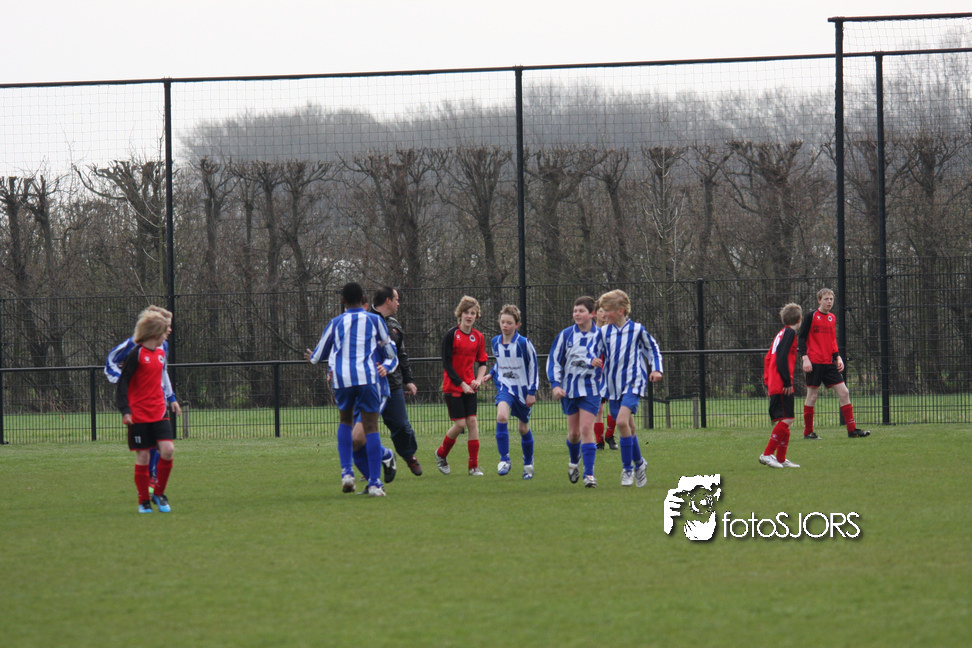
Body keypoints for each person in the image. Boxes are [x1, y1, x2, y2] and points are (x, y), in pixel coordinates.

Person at [306, 282, 398, 497]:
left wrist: (313, 356)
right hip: (367, 378)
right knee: (371, 428)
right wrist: (385, 363)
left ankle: (347, 473)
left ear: (343, 301)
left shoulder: (336, 322)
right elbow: (390, 351)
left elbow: (317, 357)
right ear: (363, 299)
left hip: (343, 380)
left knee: (345, 422)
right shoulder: (374, 320)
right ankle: (375, 483)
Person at [105, 305, 182, 494]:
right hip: (138, 402)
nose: (169, 330)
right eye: (166, 326)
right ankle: (149, 479)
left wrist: (171, 397)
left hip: (158, 400)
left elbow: (163, 372)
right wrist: (127, 383)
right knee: (147, 446)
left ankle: (154, 478)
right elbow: (110, 362)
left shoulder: (163, 347)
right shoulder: (134, 346)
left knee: (163, 443)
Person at [597, 289, 663, 487]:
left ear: (620, 311)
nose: (603, 314)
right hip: (612, 386)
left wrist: (656, 369)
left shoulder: (637, 330)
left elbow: (652, 349)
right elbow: (594, 351)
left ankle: (627, 469)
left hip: (633, 382)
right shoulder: (603, 332)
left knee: (621, 422)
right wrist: (591, 360)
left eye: (607, 310)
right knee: (630, 428)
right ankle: (640, 463)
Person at [797, 288, 871, 439]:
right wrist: (805, 358)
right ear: (819, 300)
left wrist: (838, 357)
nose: (829, 302)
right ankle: (808, 432)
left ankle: (852, 430)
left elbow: (832, 340)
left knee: (844, 392)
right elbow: (801, 338)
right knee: (812, 396)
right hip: (814, 362)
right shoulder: (811, 316)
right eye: (826, 299)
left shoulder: (832, 317)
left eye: (831, 299)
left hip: (829, 363)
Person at [547, 296, 604, 487]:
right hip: (569, 390)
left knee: (586, 429)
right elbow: (554, 360)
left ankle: (589, 475)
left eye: (581, 311)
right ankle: (574, 461)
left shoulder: (601, 335)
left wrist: (603, 371)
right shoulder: (566, 335)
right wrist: (555, 385)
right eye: (575, 311)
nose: (577, 314)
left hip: (591, 389)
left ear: (592, 314)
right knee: (573, 434)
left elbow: (611, 359)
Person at [434, 296, 489, 476]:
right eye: (466, 312)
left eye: (473, 313)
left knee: (472, 422)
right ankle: (441, 454)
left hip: (470, 387)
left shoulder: (478, 337)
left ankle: (473, 466)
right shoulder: (451, 335)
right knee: (460, 424)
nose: (469, 316)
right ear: (460, 314)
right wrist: (462, 384)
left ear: (476, 316)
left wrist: (478, 380)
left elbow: (483, 362)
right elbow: (447, 364)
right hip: (453, 386)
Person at [372, 286, 422, 476]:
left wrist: (408, 380)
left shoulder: (394, 325)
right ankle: (372, 464)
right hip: (369, 384)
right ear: (388, 301)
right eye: (396, 299)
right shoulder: (366, 321)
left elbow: (401, 354)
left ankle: (409, 456)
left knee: (401, 425)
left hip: (392, 384)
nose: (398, 303)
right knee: (366, 427)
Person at [489, 304, 539, 480]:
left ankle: (528, 463)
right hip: (506, 387)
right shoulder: (495, 342)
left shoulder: (524, 344)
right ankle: (504, 459)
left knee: (522, 428)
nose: (505, 325)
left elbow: (534, 367)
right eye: (502, 322)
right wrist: (491, 373)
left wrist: (532, 392)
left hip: (523, 391)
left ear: (517, 325)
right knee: (501, 416)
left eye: (509, 323)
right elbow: (500, 361)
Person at [760, 303, 804, 469]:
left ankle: (780, 458)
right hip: (781, 382)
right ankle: (767, 454)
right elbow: (781, 357)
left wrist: (767, 380)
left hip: (776, 381)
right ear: (799, 319)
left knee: (788, 418)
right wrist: (786, 380)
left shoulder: (781, 333)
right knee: (787, 419)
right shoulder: (790, 333)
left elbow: (768, 358)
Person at [593, 305, 618, 451]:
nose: (604, 314)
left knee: (614, 407)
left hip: (611, 374)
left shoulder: (612, 332)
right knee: (598, 408)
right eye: (601, 311)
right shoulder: (592, 333)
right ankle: (599, 441)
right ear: (595, 313)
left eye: (606, 311)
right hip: (596, 376)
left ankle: (609, 435)